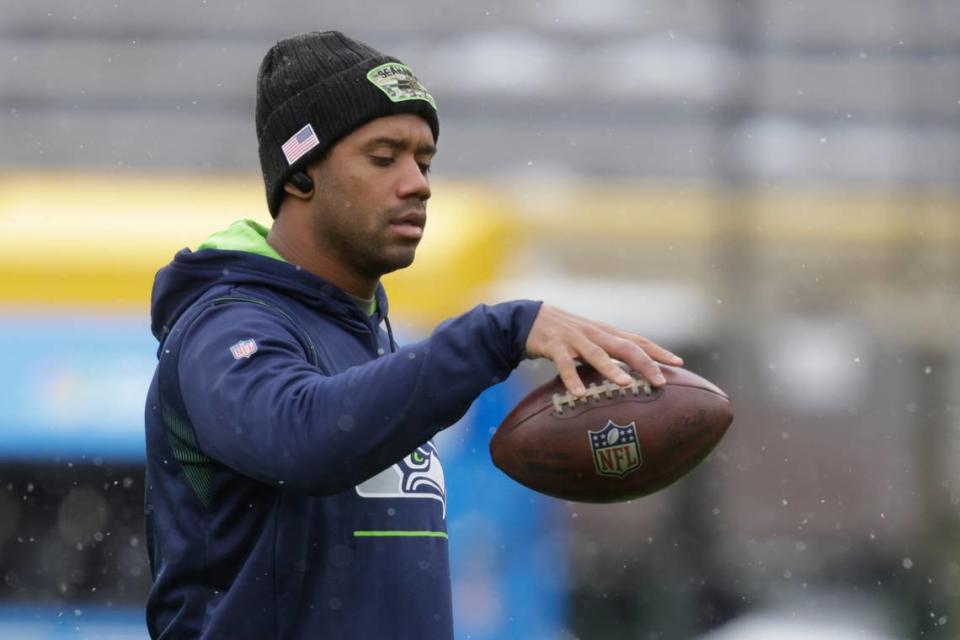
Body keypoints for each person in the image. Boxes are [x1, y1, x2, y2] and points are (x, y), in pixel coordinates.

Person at [143, 30, 682, 639]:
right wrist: (493, 334)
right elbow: (303, 437)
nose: (418, 183)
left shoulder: (367, 339)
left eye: (424, 161)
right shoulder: (228, 324)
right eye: (383, 157)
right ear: (300, 175)